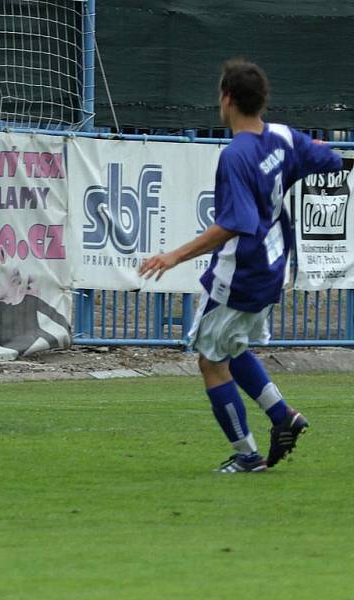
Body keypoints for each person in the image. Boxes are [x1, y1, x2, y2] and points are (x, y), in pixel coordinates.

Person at [139, 59, 343, 473]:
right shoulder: (283, 137)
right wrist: (321, 151)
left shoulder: (237, 155)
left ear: (226, 99)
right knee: (232, 349)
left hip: (240, 274)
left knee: (210, 361)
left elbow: (234, 223)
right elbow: (331, 160)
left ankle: (248, 456)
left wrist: (175, 255)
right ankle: (283, 416)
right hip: (272, 268)